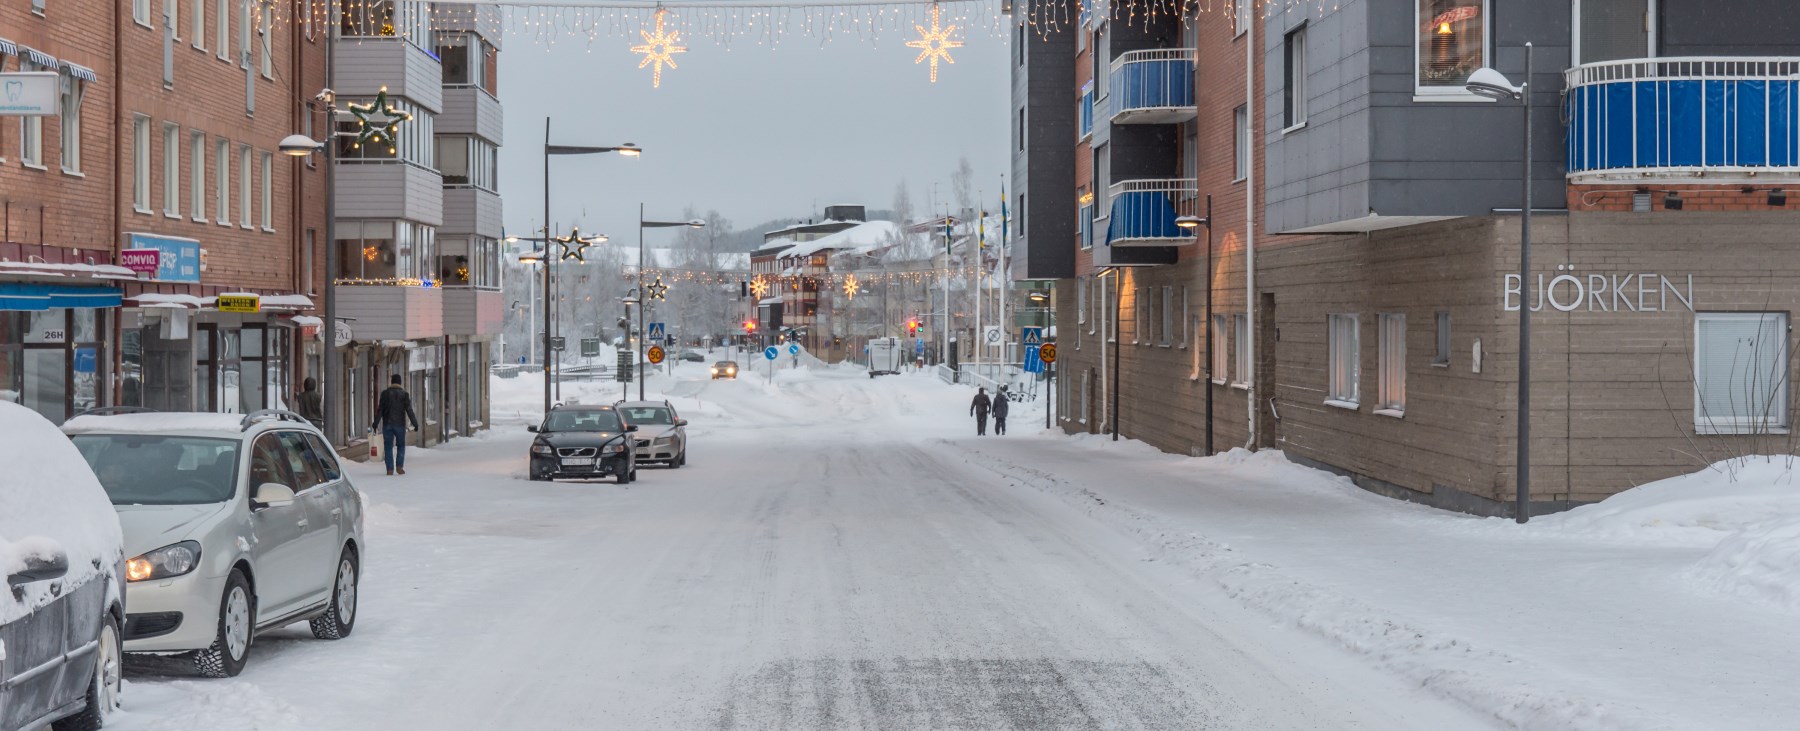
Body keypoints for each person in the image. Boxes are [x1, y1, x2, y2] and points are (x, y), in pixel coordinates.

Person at [370, 374, 419, 475]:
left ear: (391, 382)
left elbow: (380, 410)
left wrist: (375, 423)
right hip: (400, 425)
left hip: (387, 424)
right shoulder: (404, 395)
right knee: (401, 445)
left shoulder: (385, 394)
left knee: (388, 446)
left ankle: (389, 469)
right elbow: (409, 410)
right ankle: (399, 466)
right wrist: (415, 423)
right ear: (400, 382)